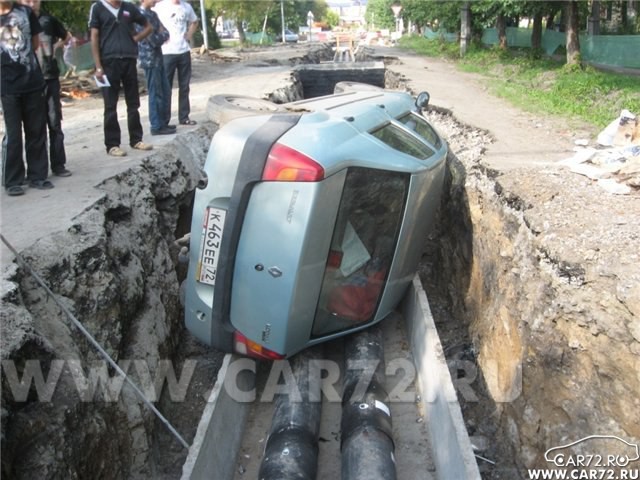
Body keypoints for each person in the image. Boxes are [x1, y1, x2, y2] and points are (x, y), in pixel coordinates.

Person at [89, 0, 153, 157]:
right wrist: (98, 66)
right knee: (110, 105)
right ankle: (112, 144)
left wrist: (136, 39)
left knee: (133, 103)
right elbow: (94, 37)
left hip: (128, 59)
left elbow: (149, 26)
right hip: (108, 62)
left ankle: (136, 139)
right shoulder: (97, 8)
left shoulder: (128, 8)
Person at [1, 0, 52, 196]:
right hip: (6, 85)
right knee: (13, 135)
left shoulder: (26, 12)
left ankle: (38, 176)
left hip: (31, 80)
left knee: (36, 130)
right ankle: (13, 180)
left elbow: (35, 43)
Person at [21, 0, 72, 177]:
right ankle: (36, 170)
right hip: (28, 82)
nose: (31, 3)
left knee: (54, 122)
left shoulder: (48, 21)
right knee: (34, 128)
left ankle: (59, 165)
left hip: (49, 77)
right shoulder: (19, 22)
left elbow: (67, 36)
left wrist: (56, 47)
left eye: (34, 0)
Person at [153, 0, 198, 126]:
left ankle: (184, 117)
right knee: (166, 87)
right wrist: (160, 34)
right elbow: (150, 20)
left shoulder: (186, 7)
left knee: (184, 86)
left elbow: (194, 21)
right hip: (167, 51)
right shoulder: (160, 6)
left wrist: (188, 34)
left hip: (183, 50)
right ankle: (164, 120)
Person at [137, 0, 175, 136]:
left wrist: (161, 34)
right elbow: (153, 40)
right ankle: (156, 125)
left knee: (165, 91)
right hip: (149, 60)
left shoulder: (153, 14)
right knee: (155, 93)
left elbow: (165, 32)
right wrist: (161, 34)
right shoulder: (139, 16)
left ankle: (163, 122)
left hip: (159, 58)